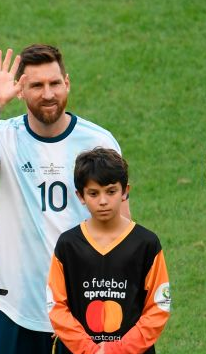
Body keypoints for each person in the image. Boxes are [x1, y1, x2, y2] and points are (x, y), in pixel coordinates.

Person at [0, 45, 127, 353]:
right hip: (17, 307)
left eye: (55, 83)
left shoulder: (98, 141)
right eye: (37, 85)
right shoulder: (6, 137)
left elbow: (123, 226)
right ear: (20, 90)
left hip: (84, 304)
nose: (48, 94)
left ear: (67, 83)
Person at [48, 147, 170, 354]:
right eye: (93, 193)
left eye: (111, 191)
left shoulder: (146, 244)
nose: (103, 201)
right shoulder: (68, 245)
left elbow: (159, 306)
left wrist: (118, 349)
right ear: (80, 196)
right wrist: (89, 349)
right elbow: (56, 306)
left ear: (125, 191)